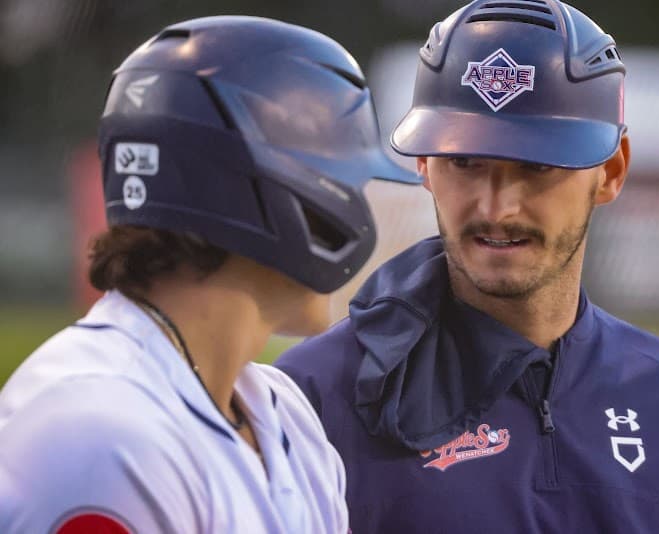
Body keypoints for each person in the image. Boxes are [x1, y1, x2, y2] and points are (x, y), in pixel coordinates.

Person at [275, 1, 659, 532]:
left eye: (536, 165)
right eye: (465, 162)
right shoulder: (312, 399)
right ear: (425, 166)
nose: (497, 207)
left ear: (612, 171)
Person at [0, 15, 418, 533]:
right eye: (344, 181)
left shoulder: (281, 408)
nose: (361, 205)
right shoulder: (101, 431)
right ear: (267, 195)